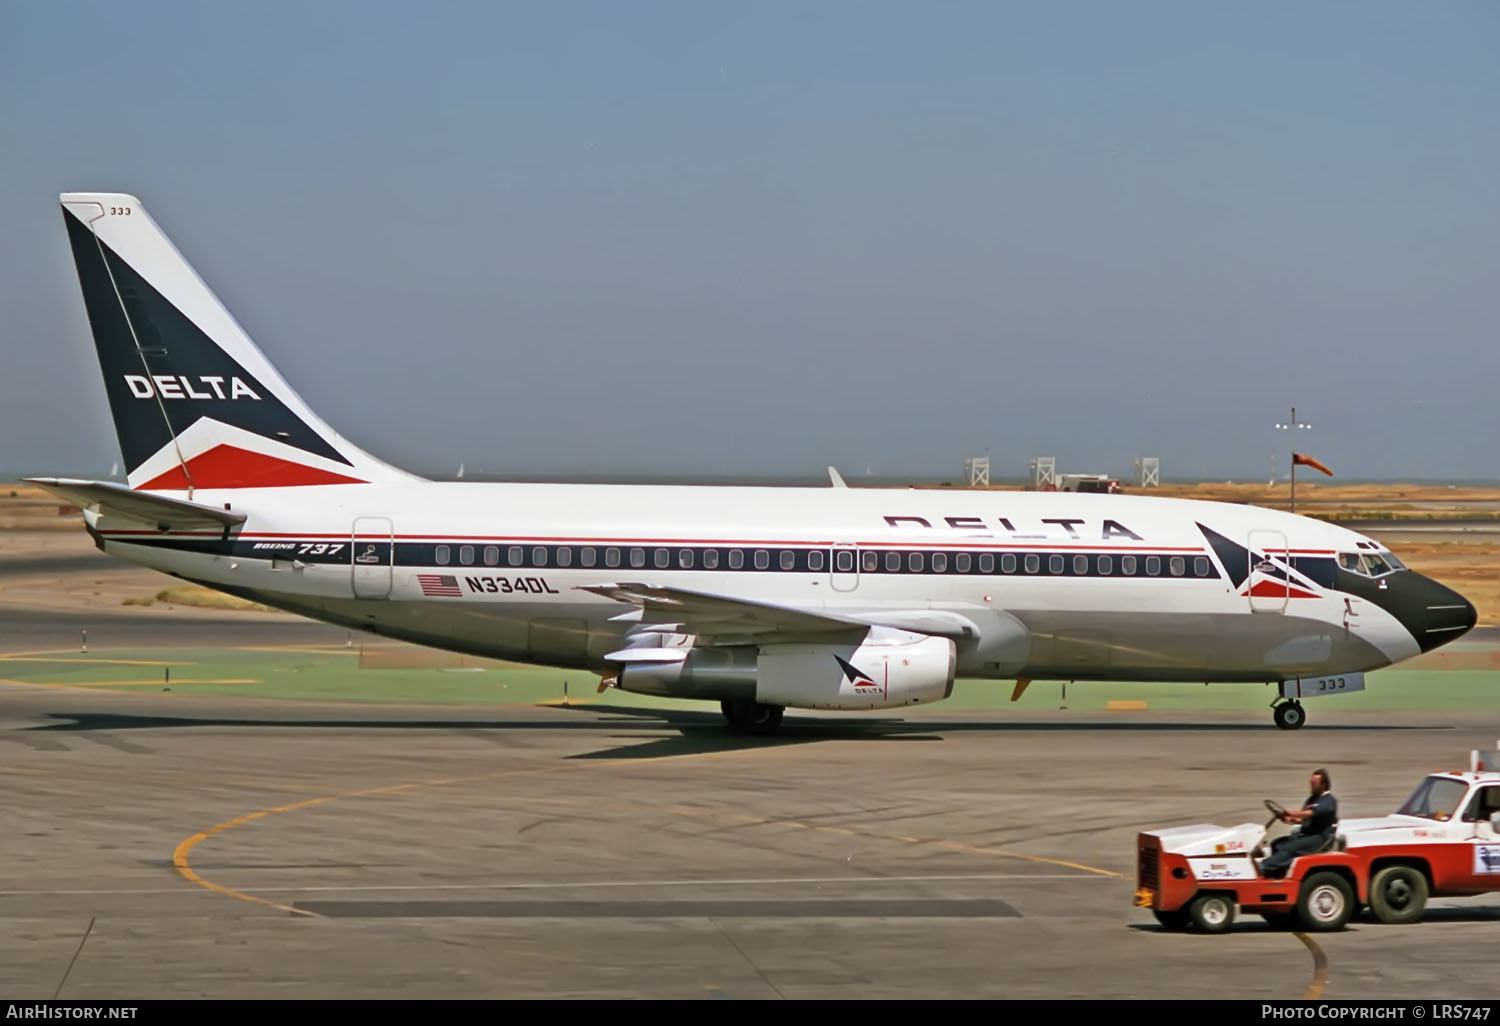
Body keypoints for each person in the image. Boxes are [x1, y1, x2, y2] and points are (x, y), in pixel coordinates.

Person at [1260, 768, 1338, 879]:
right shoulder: (1312, 799)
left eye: (1314, 783)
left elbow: (1312, 813)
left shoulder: (1329, 800)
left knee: (1291, 847)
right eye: (1311, 783)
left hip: (1319, 837)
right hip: (1306, 834)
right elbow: (1303, 819)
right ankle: (1277, 873)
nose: (1311, 786)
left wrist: (1291, 813)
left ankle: (1263, 867)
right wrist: (1290, 819)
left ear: (1323, 785)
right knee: (1277, 844)